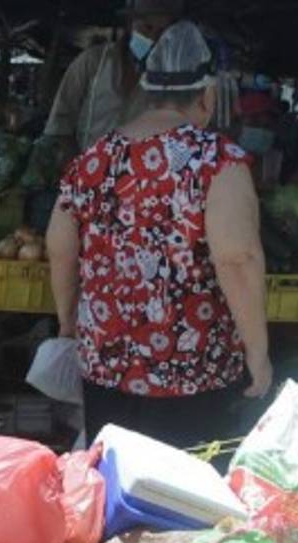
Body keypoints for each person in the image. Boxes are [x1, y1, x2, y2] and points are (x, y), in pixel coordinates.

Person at [47, 20, 273, 449]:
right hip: (193, 373)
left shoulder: (93, 159)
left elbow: (60, 247)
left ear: (147, 90)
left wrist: (67, 321)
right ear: (207, 96)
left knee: (112, 480)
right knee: (184, 486)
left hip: (106, 365)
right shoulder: (217, 161)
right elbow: (237, 257)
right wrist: (257, 353)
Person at [44, 0, 182, 155]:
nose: (153, 38)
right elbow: (59, 126)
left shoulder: (170, 81)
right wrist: (81, 163)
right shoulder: (93, 62)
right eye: (147, 27)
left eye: (162, 32)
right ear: (130, 24)